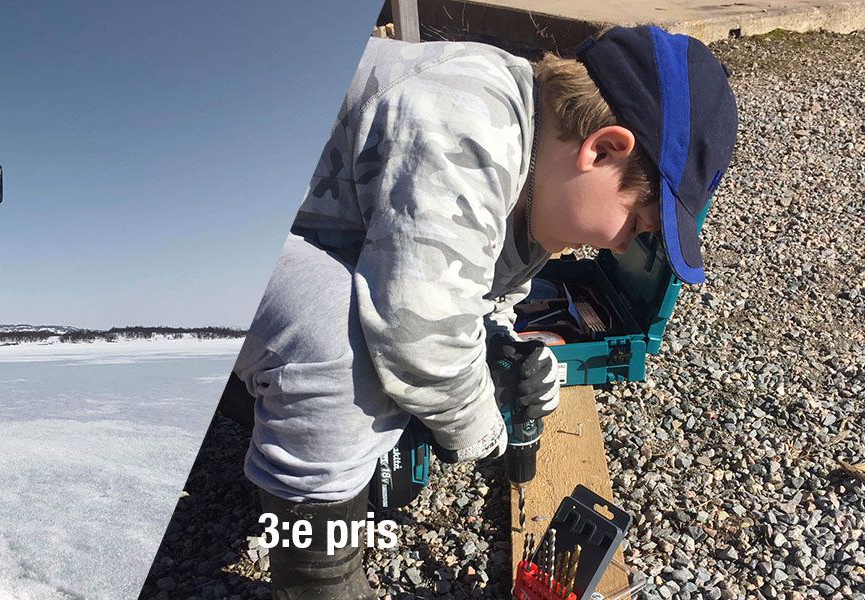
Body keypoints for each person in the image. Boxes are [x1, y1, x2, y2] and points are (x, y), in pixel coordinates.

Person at [229, 26, 737, 597]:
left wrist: (503, 352)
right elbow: (417, 333)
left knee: (380, 417)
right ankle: (315, 581)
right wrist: (478, 428)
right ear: (603, 149)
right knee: (337, 339)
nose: (622, 248)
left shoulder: (536, 166)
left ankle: (259, 406)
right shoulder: (469, 124)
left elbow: (479, 295)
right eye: (637, 223)